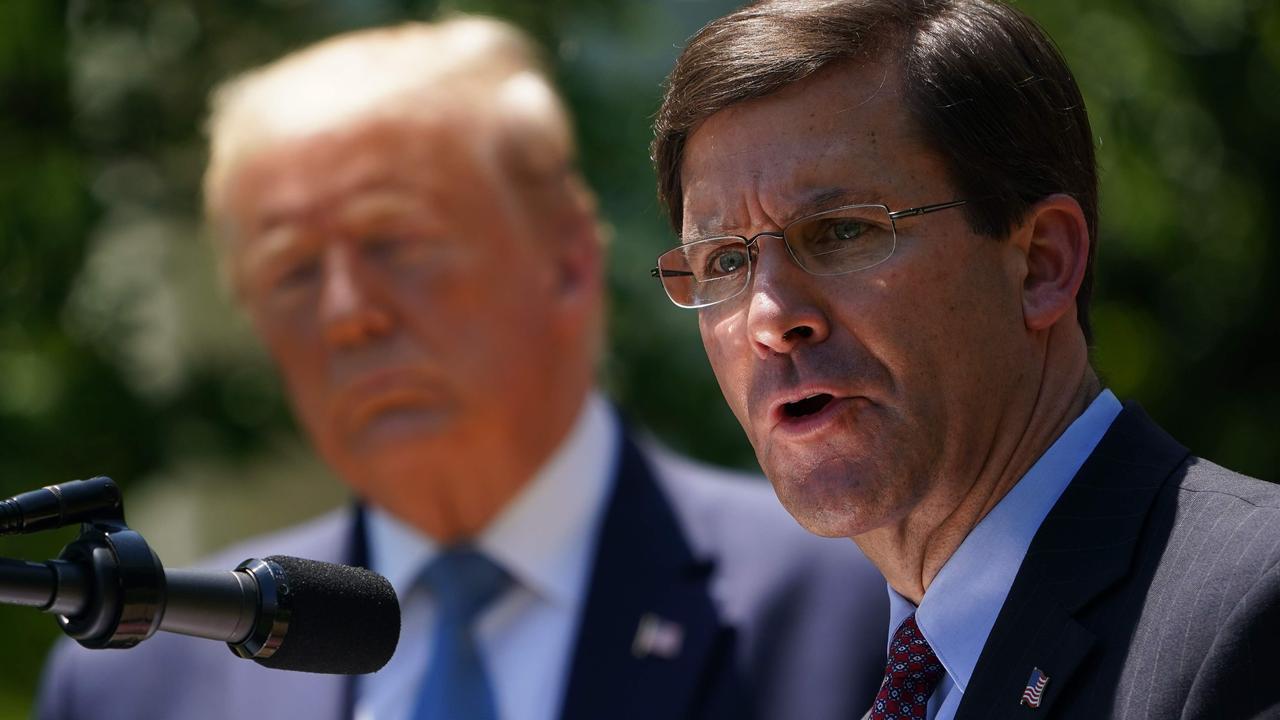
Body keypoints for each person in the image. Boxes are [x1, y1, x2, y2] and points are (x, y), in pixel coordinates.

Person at [35, 16, 890, 720]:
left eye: (396, 244)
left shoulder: (856, 608)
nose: (346, 313)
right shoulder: (139, 681)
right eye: (292, 272)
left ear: (566, 260)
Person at [649, 0, 1280, 718]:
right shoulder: (811, 677)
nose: (769, 318)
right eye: (724, 260)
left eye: (841, 232)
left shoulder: (1254, 611)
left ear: (1041, 264)